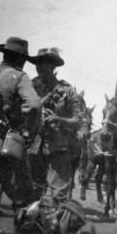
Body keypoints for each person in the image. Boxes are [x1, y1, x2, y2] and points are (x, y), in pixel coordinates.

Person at [28, 48, 84, 203]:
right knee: (31, 193)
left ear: (53, 66)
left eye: (44, 63)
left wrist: (59, 119)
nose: (39, 67)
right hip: (33, 147)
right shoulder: (30, 87)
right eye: (37, 63)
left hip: (58, 148)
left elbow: (79, 120)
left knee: (58, 196)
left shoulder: (67, 91)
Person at [0, 37, 41, 211]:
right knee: (24, 193)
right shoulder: (19, 76)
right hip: (2, 142)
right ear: (21, 60)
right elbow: (35, 104)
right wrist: (28, 131)